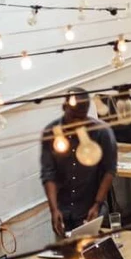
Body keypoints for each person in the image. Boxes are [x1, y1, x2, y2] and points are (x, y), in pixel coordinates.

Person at [41, 87, 118, 237]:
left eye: (81, 117)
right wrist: (54, 209)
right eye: (73, 116)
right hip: (64, 210)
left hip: (90, 208)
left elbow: (109, 171)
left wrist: (97, 204)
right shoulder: (51, 133)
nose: (77, 122)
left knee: (95, 253)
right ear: (64, 108)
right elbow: (48, 174)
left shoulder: (101, 132)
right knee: (66, 255)